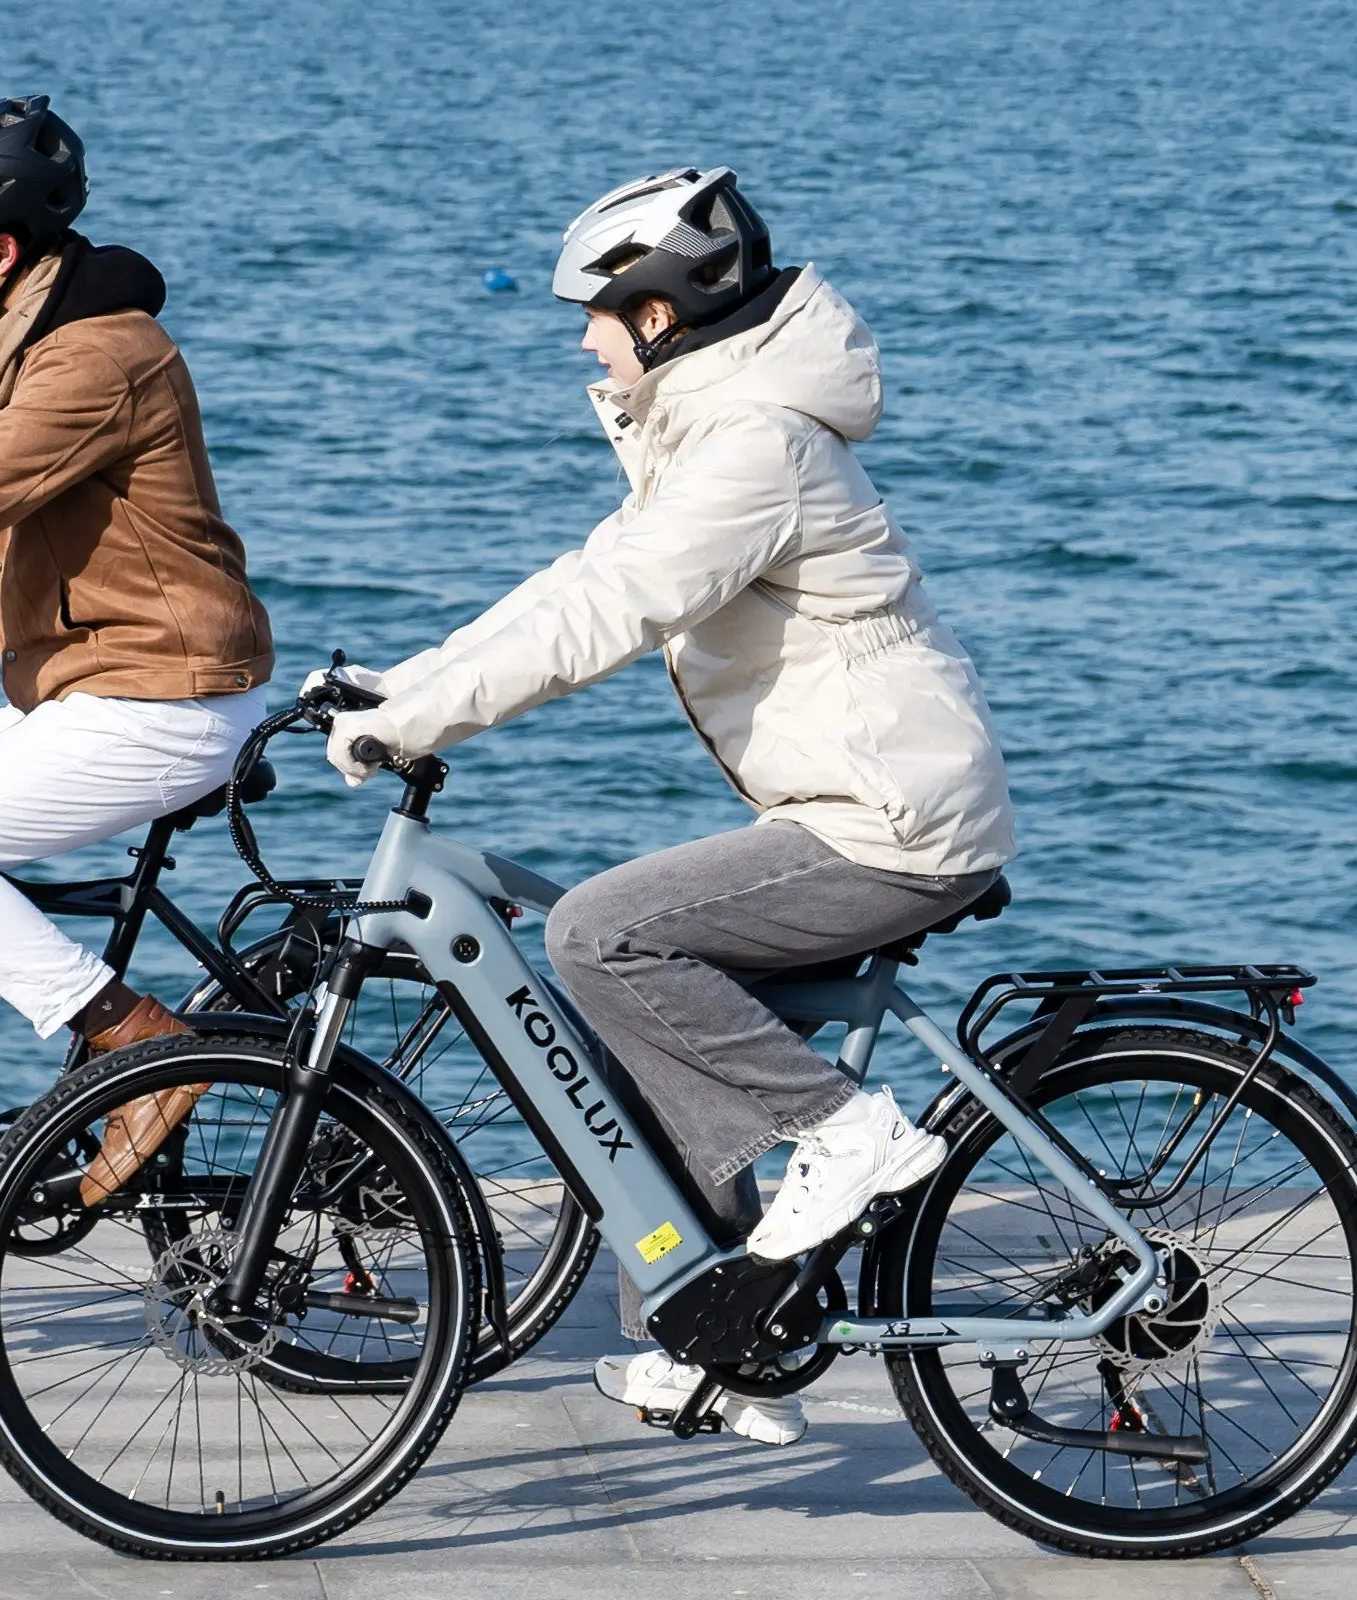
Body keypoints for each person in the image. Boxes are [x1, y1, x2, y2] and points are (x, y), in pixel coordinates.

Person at [321, 167, 1016, 1444]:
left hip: (890, 822)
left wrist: (414, 726)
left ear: (656, 314)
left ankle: (846, 1132)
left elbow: (611, 615)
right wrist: (401, 686)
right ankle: (724, 1334)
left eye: (596, 315)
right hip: (860, 800)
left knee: (600, 935)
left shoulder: (756, 447)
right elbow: (582, 577)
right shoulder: (717, 430)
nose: (584, 343)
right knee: (638, 1013)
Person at [0, 97, 274, 1217]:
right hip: (95, 689)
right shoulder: (26, 346)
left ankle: (138, 1042)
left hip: (165, 698)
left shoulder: (96, 360)